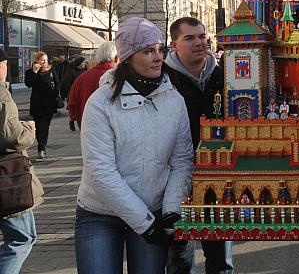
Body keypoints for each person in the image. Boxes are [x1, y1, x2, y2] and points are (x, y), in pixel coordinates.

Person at [75, 17, 193, 274]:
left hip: (153, 208)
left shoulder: (173, 100)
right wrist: (146, 225)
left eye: (160, 50)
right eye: (148, 50)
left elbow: (182, 159)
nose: (158, 57)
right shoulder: (101, 102)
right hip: (100, 212)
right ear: (128, 57)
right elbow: (100, 171)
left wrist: (172, 210)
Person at [164, 17, 234, 274]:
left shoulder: (224, 75)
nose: (199, 43)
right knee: (180, 254)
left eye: (202, 37)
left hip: (218, 170)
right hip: (175, 175)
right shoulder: (163, 79)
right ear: (174, 45)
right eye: (190, 38)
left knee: (221, 253)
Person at [0, 47, 43, 274]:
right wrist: (29, 130)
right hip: (7, 176)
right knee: (22, 237)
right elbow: (10, 135)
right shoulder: (0, 90)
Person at [67, 41, 117, 129]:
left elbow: (71, 104)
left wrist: (77, 118)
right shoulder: (117, 77)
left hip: (87, 127)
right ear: (116, 58)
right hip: (113, 128)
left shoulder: (82, 78)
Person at [24, 52, 59, 160]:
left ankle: (42, 148)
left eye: (46, 60)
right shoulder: (30, 72)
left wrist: (55, 93)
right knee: (38, 127)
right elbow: (28, 84)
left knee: (44, 126)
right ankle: (41, 146)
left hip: (49, 103)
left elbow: (58, 83)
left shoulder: (51, 70)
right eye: (42, 60)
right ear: (37, 61)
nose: (45, 62)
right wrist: (34, 72)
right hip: (37, 103)